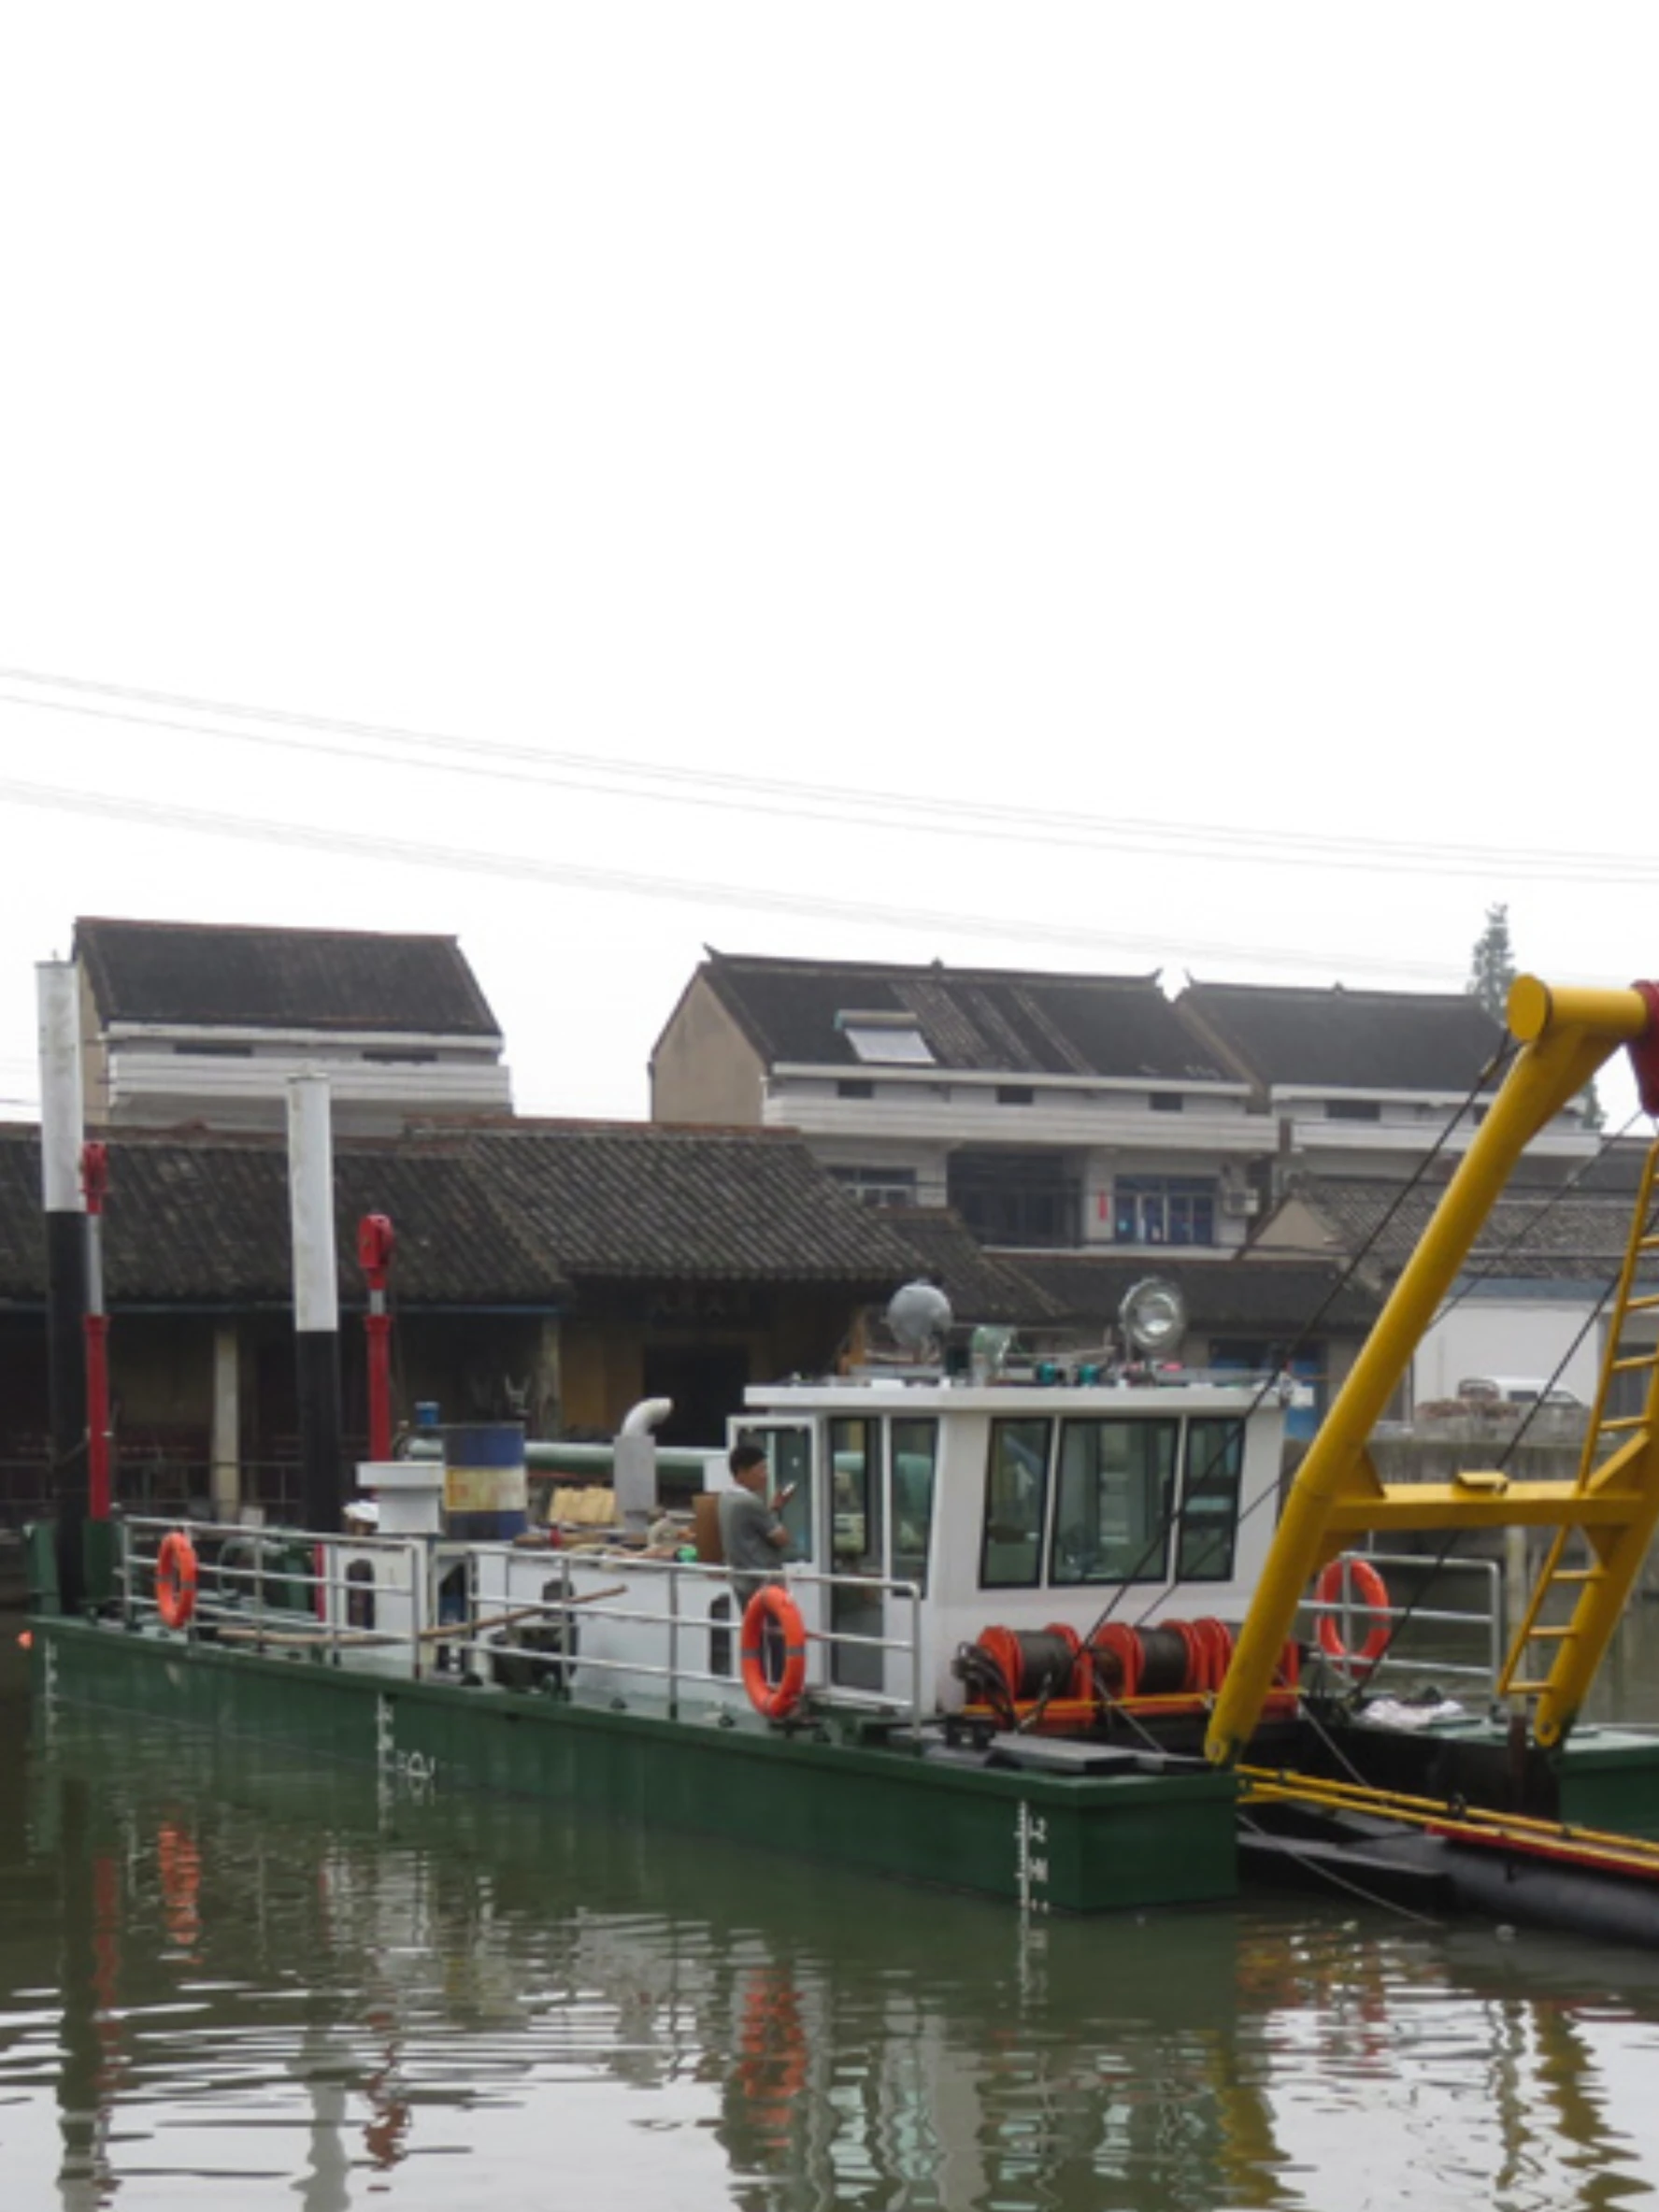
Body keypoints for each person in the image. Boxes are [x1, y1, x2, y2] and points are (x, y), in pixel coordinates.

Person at [717, 1438, 796, 1607]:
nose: (765, 1475)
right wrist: (773, 1516)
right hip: (763, 1584)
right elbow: (781, 1538)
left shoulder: (726, 1498)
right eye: (760, 1469)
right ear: (741, 1472)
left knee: (753, 1623)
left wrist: (773, 1508)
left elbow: (751, 1526)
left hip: (741, 1581)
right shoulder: (750, 1502)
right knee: (775, 1624)